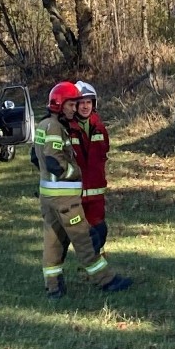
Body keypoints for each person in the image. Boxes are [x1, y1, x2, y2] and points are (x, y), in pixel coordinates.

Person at [32, 81, 132, 300]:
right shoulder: (56, 127)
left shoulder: (43, 125)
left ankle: (53, 287)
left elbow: (35, 156)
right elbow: (53, 162)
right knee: (85, 239)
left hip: (48, 197)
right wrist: (74, 172)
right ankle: (105, 280)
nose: (74, 109)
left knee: (53, 242)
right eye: (71, 105)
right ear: (59, 104)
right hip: (65, 199)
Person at [69, 81, 110, 255]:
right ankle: (92, 268)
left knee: (100, 232)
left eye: (88, 102)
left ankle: (95, 266)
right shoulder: (66, 129)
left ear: (94, 104)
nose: (85, 106)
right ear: (74, 105)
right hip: (74, 194)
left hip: (96, 194)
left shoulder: (100, 128)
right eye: (81, 103)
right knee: (77, 235)